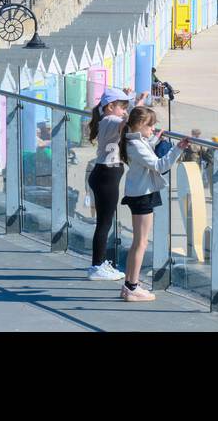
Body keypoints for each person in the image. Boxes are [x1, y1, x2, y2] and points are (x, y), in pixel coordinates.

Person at [118, 106, 190, 301]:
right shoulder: (136, 146)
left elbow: (144, 146)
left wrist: (154, 139)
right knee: (141, 243)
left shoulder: (133, 140)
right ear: (140, 125)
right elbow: (160, 165)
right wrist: (178, 148)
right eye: (150, 126)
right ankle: (132, 287)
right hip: (142, 195)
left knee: (137, 243)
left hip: (137, 193)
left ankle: (129, 285)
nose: (152, 129)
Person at [85, 88, 130, 280]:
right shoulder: (111, 120)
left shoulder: (106, 120)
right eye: (122, 107)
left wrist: (134, 101)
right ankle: (96, 267)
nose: (124, 111)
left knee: (104, 222)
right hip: (107, 175)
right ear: (110, 107)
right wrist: (136, 106)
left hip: (104, 174)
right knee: (104, 223)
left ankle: (100, 263)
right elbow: (129, 124)